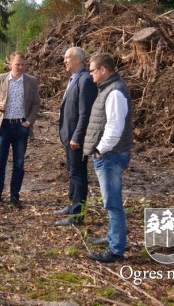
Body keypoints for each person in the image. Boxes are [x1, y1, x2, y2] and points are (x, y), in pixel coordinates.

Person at [83, 52, 133, 263]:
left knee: (113, 204)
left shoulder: (114, 92)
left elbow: (114, 127)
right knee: (110, 202)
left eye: (93, 70)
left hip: (111, 155)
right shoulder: (109, 88)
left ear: (103, 70)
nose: (91, 74)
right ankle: (112, 237)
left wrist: (101, 149)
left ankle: (116, 249)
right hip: (109, 154)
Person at [0, 51, 41, 209]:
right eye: (18, 64)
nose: (21, 67)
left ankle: (14, 196)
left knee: (19, 163)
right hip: (3, 126)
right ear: (10, 64)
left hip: (21, 127)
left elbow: (36, 103)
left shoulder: (31, 81)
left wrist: (29, 121)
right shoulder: (0, 78)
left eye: (23, 65)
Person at [55, 47, 97, 226]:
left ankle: (77, 215)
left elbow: (85, 113)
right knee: (72, 171)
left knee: (79, 174)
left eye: (67, 57)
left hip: (75, 138)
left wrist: (77, 137)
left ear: (78, 59)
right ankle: (72, 205)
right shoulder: (75, 78)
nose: (64, 61)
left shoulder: (85, 79)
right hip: (68, 135)